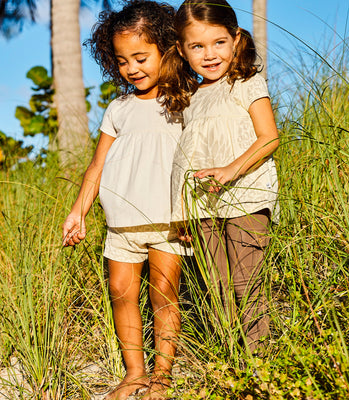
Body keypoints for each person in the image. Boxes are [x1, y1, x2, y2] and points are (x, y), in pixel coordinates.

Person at [62, 1, 187, 399]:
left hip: (169, 221)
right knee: (121, 293)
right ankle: (134, 373)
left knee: (163, 296)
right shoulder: (118, 108)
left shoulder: (186, 103)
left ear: (168, 49)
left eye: (140, 57)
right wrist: (78, 211)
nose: (131, 68)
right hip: (120, 224)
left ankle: (162, 375)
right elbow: (96, 167)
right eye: (121, 60)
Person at [159, 0, 280, 353]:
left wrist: (231, 170)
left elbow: (269, 137)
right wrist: (181, 212)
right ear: (182, 49)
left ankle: (260, 363)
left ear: (236, 38)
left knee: (247, 282)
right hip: (202, 204)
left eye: (219, 43)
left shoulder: (246, 83)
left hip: (246, 197)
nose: (209, 54)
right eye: (197, 46)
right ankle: (231, 359)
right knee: (216, 285)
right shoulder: (190, 96)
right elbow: (184, 159)